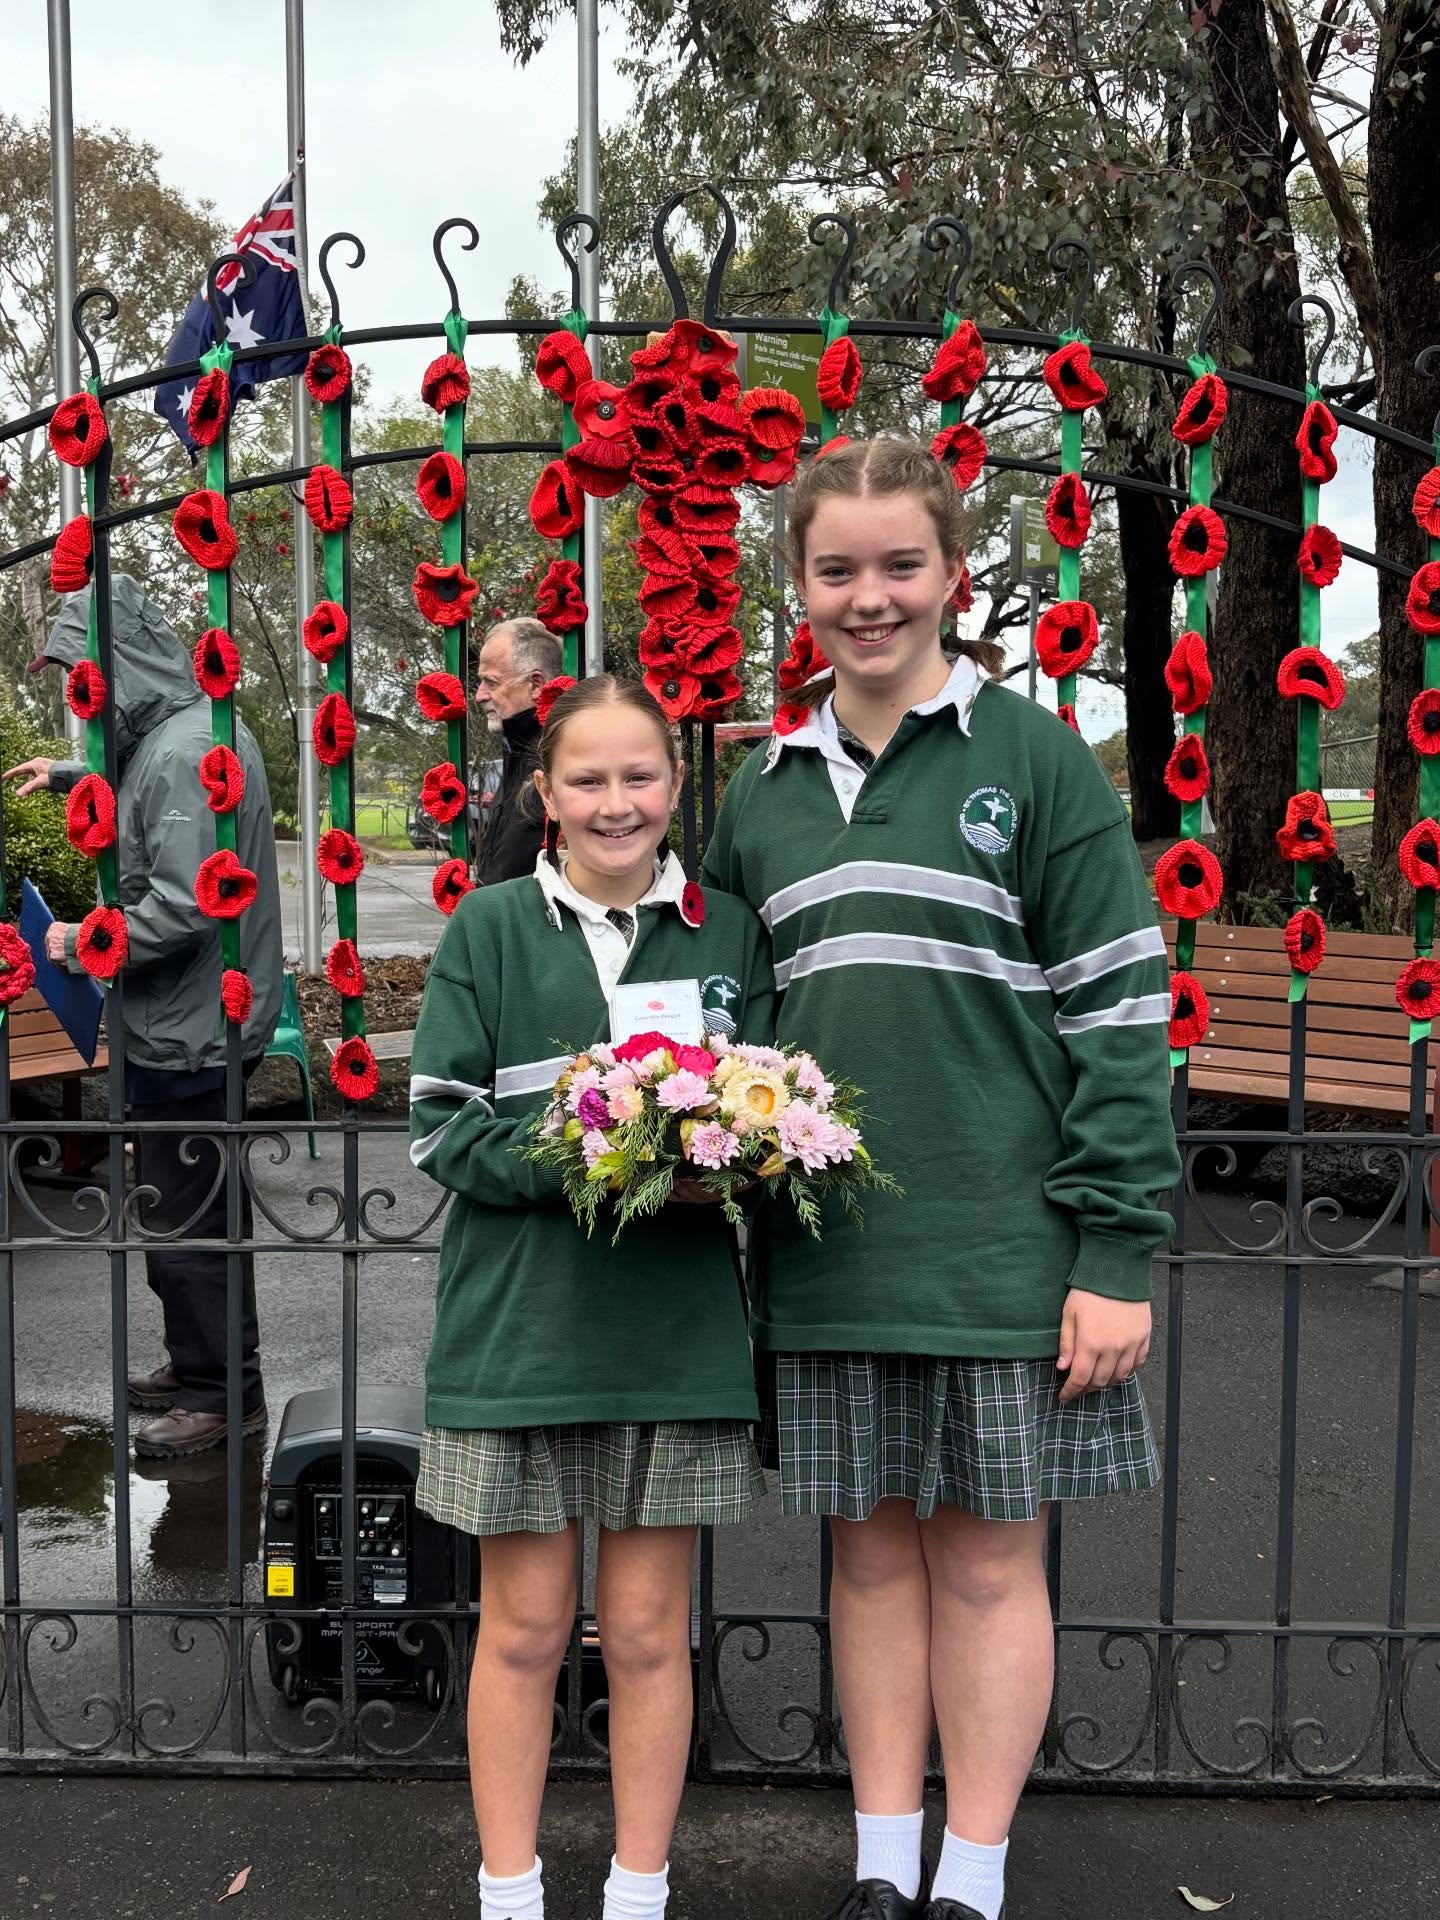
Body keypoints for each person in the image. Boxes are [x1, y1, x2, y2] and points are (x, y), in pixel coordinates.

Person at [701, 439, 1181, 1920]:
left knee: (985, 1568)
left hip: (1003, 1254)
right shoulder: (759, 793)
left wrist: (1115, 1249)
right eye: (836, 569)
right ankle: (881, 1864)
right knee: (866, 1563)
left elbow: (1120, 1010)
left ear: (954, 575)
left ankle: (971, 1876)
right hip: (832, 1257)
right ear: (796, 585)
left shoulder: (1031, 759)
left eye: (899, 564)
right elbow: (723, 1022)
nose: (869, 596)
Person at [408, 673, 774, 1920]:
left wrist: (734, 1156)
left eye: (640, 776)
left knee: (650, 1637)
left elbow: (771, 1111)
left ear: (676, 787)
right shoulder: (491, 927)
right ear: (543, 795)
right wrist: (597, 1160)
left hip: (673, 1342)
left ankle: (638, 1888)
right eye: (587, 779)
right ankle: (508, 1889)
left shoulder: (730, 932)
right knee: (519, 1632)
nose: (616, 802)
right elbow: (441, 1131)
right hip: (523, 1337)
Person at [6, 575, 283, 1460]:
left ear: (117, 663)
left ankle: (219, 1394)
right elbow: (155, 800)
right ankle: (200, 1364)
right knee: (180, 1205)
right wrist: (73, 775)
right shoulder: (182, 734)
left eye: (77, 672)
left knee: (190, 1219)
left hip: (188, 1031)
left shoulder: (180, 752)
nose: (68, 693)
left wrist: (81, 941)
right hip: (189, 1022)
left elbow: (185, 902)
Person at [473, 616, 564, 885]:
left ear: (536, 685)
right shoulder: (516, 752)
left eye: (491, 682)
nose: (479, 695)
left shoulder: (554, 761)